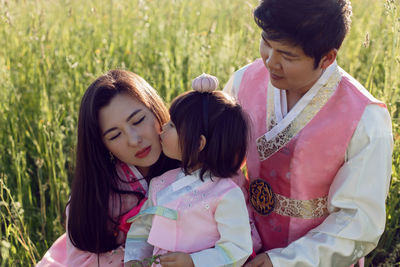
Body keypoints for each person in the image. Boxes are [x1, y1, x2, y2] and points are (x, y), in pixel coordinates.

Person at [223, 0, 393, 266]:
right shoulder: (244, 81)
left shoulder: (365, 118)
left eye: (287, 56)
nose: (270, 61)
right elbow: (219, 163)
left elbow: (358, 222)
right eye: (266, 42)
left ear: (327, 58)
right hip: (240, 245)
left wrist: (284, 261)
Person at [36, 70, 179, 266]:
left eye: (138, 120)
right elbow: (80, 260)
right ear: (102, 145)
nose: (134, 140)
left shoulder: (193, 163)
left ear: (156, 109)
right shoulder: (98, 193)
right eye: (114, 135)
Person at [124, 74, 253, 267]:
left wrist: (194, 261)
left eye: (172, 125)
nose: (162, 129)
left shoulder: (225, 194)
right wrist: (134, 259)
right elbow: (143, 227)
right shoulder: (161, 182)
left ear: (198, 143)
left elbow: (237, 247)